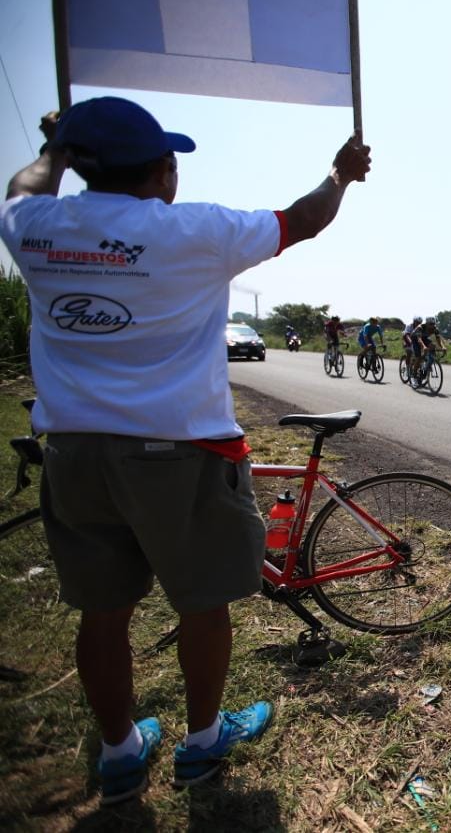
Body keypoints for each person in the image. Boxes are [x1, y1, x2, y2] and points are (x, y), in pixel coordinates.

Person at [0, 96, 370, 804]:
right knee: (203, 605)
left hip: (76, 452)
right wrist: (341, 174)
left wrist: (56, 152)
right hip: (182, 451)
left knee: (101, 613)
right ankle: (202, 744)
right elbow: (305, 218)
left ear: (82, 169)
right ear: (163, 170)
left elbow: (23, 187)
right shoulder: (195, 231)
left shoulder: (36, 225)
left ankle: (119, 753)